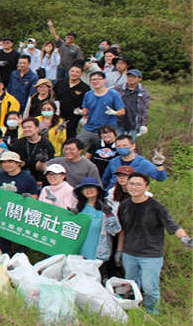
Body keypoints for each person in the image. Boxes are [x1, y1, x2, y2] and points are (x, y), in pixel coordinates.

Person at [117, 172, 193, 314]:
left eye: (139, 184)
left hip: (150, 255)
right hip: (129, 253)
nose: (134, 187)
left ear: (147, 187)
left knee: (150, 287)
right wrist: (119, 250)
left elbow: (173, 226)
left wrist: (184, 238)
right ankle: (133, 310)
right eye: (131, 184)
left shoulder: (156, 207)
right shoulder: (124, 205)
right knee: (131, 284)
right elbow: (122, 229)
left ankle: (153, 313)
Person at [0, 151, 39, 255]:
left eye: (10, 161)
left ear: (18, 163)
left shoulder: (28, 178)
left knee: (21, 239)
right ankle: (5, 257)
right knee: (3, 238)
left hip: (21, 213)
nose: (7, 164)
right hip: (3, 211)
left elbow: (35, 195)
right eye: (4, 162)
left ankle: (21, 258)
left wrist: (29, 199)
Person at [69, 178, 121, 264]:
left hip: (98, 254)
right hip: (78, 253)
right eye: (85, 188)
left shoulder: (107, 206)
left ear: (98, 189)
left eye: (92, 187)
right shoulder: (77, 206)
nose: (88, 190)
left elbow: (115, 230)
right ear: (81, 191)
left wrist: (109, 215)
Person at [76, 71, 126, 148]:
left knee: (102, 153)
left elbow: (122, 111)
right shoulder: (88, 94)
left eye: (98, 79)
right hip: (89, 128)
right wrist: (80, 112)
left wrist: (114, 112)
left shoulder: (113, 94)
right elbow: (86, 111)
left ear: (104, 80)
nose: (95, 81)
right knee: (76, 147)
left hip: (106, 131)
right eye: (93, 80)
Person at [102, 135, 167, 188]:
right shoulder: (113, 161)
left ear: (133, 146)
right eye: (119, 146)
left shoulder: (143, 163)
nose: (122, 148)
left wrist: (159, 165)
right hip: (112, 196)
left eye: (125, 146)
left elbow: (160, 178)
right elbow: (106, 179)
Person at [11, 117, 55, 183]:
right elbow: (18, 159)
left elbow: (48, 163)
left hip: (39, 177)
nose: (26, 129)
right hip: (21, 174)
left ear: (37, 128)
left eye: (29, 127)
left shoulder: (46, 144)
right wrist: (35, 162)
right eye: (24, 127)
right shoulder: (18, 143)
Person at [53, 63, 90, 139]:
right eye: (72, 71)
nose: (74, 73)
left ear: (81, 74)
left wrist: (85, 116)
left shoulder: (84, 87)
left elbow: (87, 103)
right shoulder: (60, 82)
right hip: (58, 115)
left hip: (73, 117)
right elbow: (54, 95)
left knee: (70, 136)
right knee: (56, 134)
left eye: (77, 72)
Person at [113, 69, 150, 141]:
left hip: (133, 123)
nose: (131, 78)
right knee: (117, 142)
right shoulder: (118, 88)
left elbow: (144, 110)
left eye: (134, 77)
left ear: (140, 79)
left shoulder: (143, 93)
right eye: (129, 76)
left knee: (130, 143)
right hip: (119, 121)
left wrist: (143, 124)